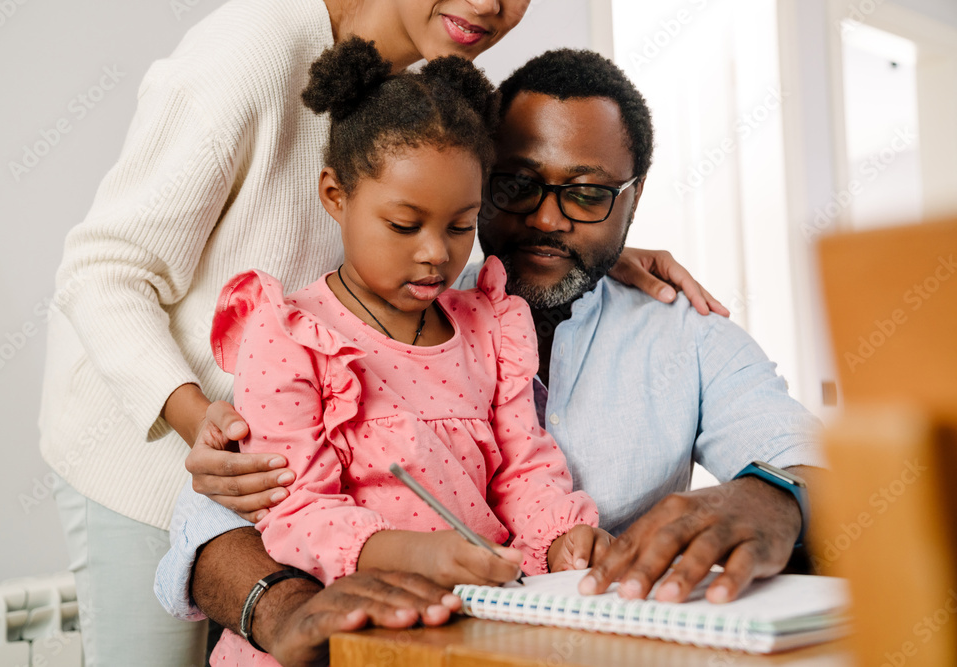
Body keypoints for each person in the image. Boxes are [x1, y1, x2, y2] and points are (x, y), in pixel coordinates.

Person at [40, 0, 719, 663]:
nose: (489, 5)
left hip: (291, 452)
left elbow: (418, 248)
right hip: (155, 440)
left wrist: (575, 247)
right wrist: (196, 419)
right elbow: (103, 269)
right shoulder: (248, 52)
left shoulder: (407, 92)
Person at [156, 47, 824, 666]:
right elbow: (224, 511)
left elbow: (817, 461)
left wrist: (773, 498)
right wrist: (283, 607)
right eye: (517, 185)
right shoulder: (363, 306)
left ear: (634, 196)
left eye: (587, 193)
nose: (547, 220)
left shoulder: (681, 332)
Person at [208, 38, 607, 666]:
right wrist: (417, 554)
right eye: (403, 225)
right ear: (336, 195)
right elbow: (294, 511)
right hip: (342, 636)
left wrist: (562, 537)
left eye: (459, 226)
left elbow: (523, 469)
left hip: (471, 629)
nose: (435, 253)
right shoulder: (290, 337)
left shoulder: (489, 326)